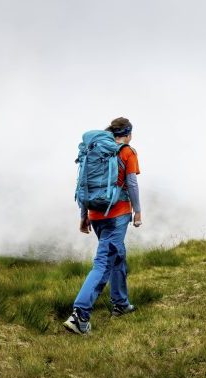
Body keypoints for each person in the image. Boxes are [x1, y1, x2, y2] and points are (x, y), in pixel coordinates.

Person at [63, 117, 143, 335]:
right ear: (128, 133)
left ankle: (121, 303)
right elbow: (132, 183)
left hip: (96, 214)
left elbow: (83, 184)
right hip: (118, 214)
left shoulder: (95, 151)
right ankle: (80, 315)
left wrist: (84, 215)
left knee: (117, 255)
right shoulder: (127, 152)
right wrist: (137, 211)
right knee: (104, 262)